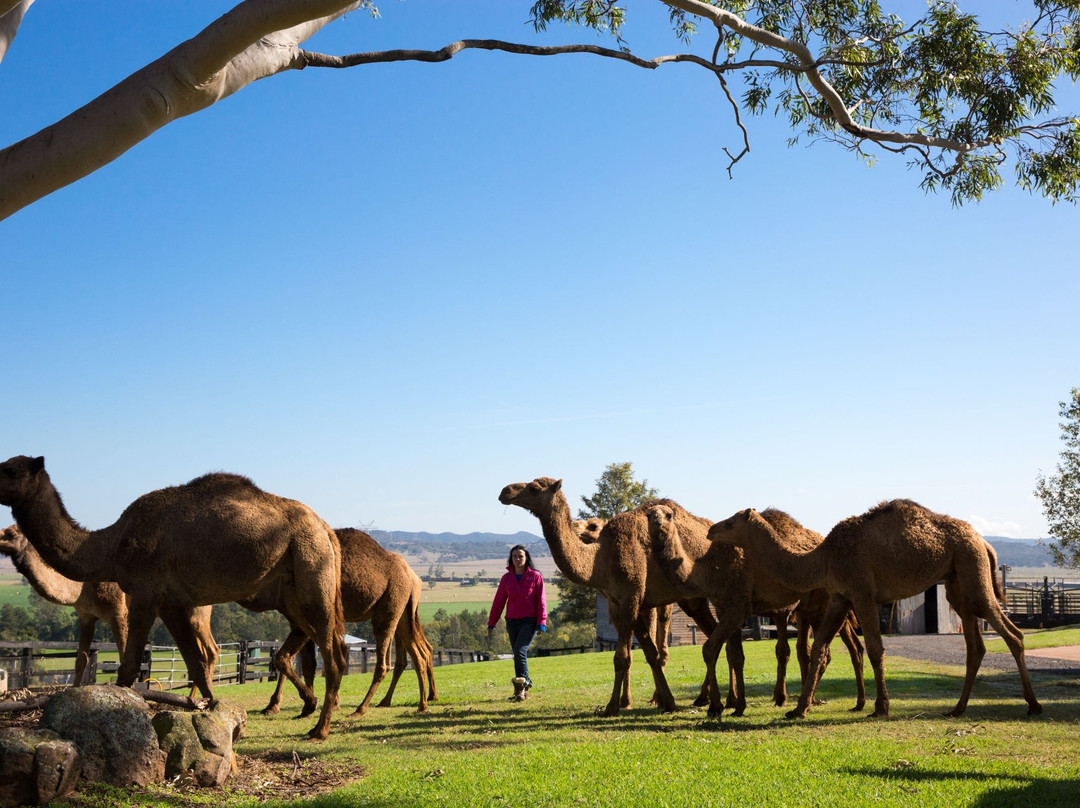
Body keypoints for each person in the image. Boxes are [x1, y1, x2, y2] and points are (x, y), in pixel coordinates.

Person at [487, 544, 547, 701]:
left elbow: (541, 601)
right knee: (518, 655)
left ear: (526, 558)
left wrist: (541, 622)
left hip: (530, 621)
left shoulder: (535, 576)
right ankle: (522, 689)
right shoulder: (506, 579)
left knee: (520, 651)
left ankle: (521, 688)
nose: (518, 559)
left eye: (520, 556)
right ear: (511, 559)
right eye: (515, 556)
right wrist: (491, 623)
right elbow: (498, 602)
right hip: (512, 622)